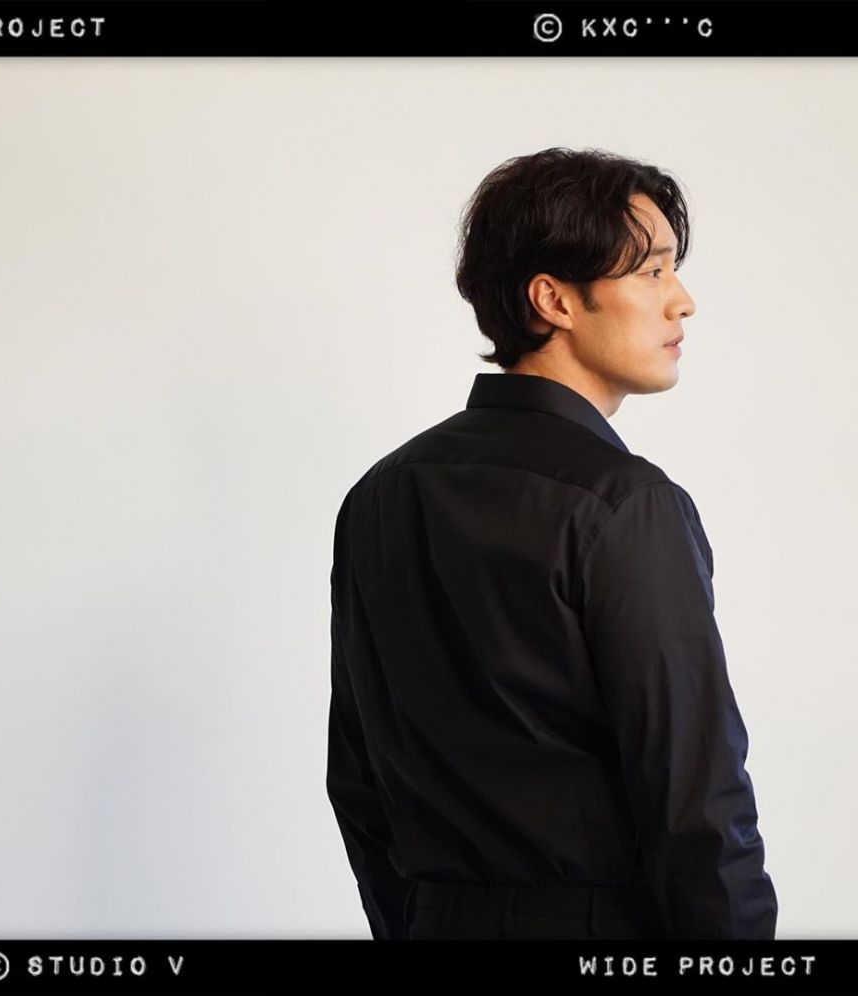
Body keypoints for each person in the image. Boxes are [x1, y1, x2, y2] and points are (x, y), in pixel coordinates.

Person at [325, 147, 777, 940]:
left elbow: (358, 782)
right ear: (555, 299)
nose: (683, 302)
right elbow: (697, 805)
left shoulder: (379, 496)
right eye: (651, 271)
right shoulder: (625, 506)